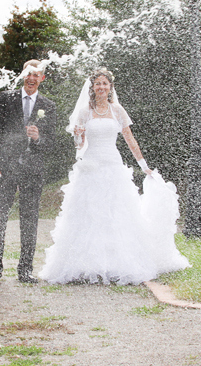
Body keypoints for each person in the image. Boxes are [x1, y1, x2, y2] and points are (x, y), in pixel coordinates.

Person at [39, 68, 189, 285]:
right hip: (90, 167)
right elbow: (79, 146)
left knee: (116, 213)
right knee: (88, 213)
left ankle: (118, 263)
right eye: (98, 84)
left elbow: (130, 140)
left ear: (110, 87)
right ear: (92, 87)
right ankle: (85, 264)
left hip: (113, 165)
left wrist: (143, 166)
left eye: (105, 84)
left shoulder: (117, 110)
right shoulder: (84, 112)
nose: (101, 87)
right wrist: (78, 136)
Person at [0, 60, 57, 285]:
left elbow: (52, 143)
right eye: (28, 74)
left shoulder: (49, 105)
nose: (32, 78)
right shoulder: (6, 99)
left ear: (42, 78)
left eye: (37, 74)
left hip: (32, 170)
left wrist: (38, 138)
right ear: (23, 75)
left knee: (29, 219)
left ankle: (25, 269)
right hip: (5, 167)